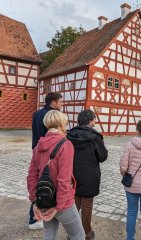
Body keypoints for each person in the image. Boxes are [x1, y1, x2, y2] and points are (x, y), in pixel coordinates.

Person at [27, 110, 85, 240]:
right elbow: (64, 179)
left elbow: (31, 176)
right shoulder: (66, 145)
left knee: (49, 235)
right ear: (61, 124)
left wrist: (35, 201)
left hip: (45, 198)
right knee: (78, 235)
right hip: (63, 202)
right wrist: (59, 207)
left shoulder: (38, 146)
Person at [67, 110, 108, 240]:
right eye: (94, 119)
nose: (95, 121)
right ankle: (87, 233)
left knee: (75, 204)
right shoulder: (95, 137)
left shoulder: (70, 134)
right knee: (87, 205)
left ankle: (73, 233)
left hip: (73, 173)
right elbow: (102, 156)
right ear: (90, 121)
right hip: (89, 175)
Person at [29, 92, 63, 230]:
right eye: (60, 102)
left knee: (38, 182)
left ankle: (34, 218)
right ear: (53, 103)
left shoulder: (37, 113)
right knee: (47, 184)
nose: (61, 104)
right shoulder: (51, 116)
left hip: (37, 150)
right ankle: (38, 217)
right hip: (48, 154)